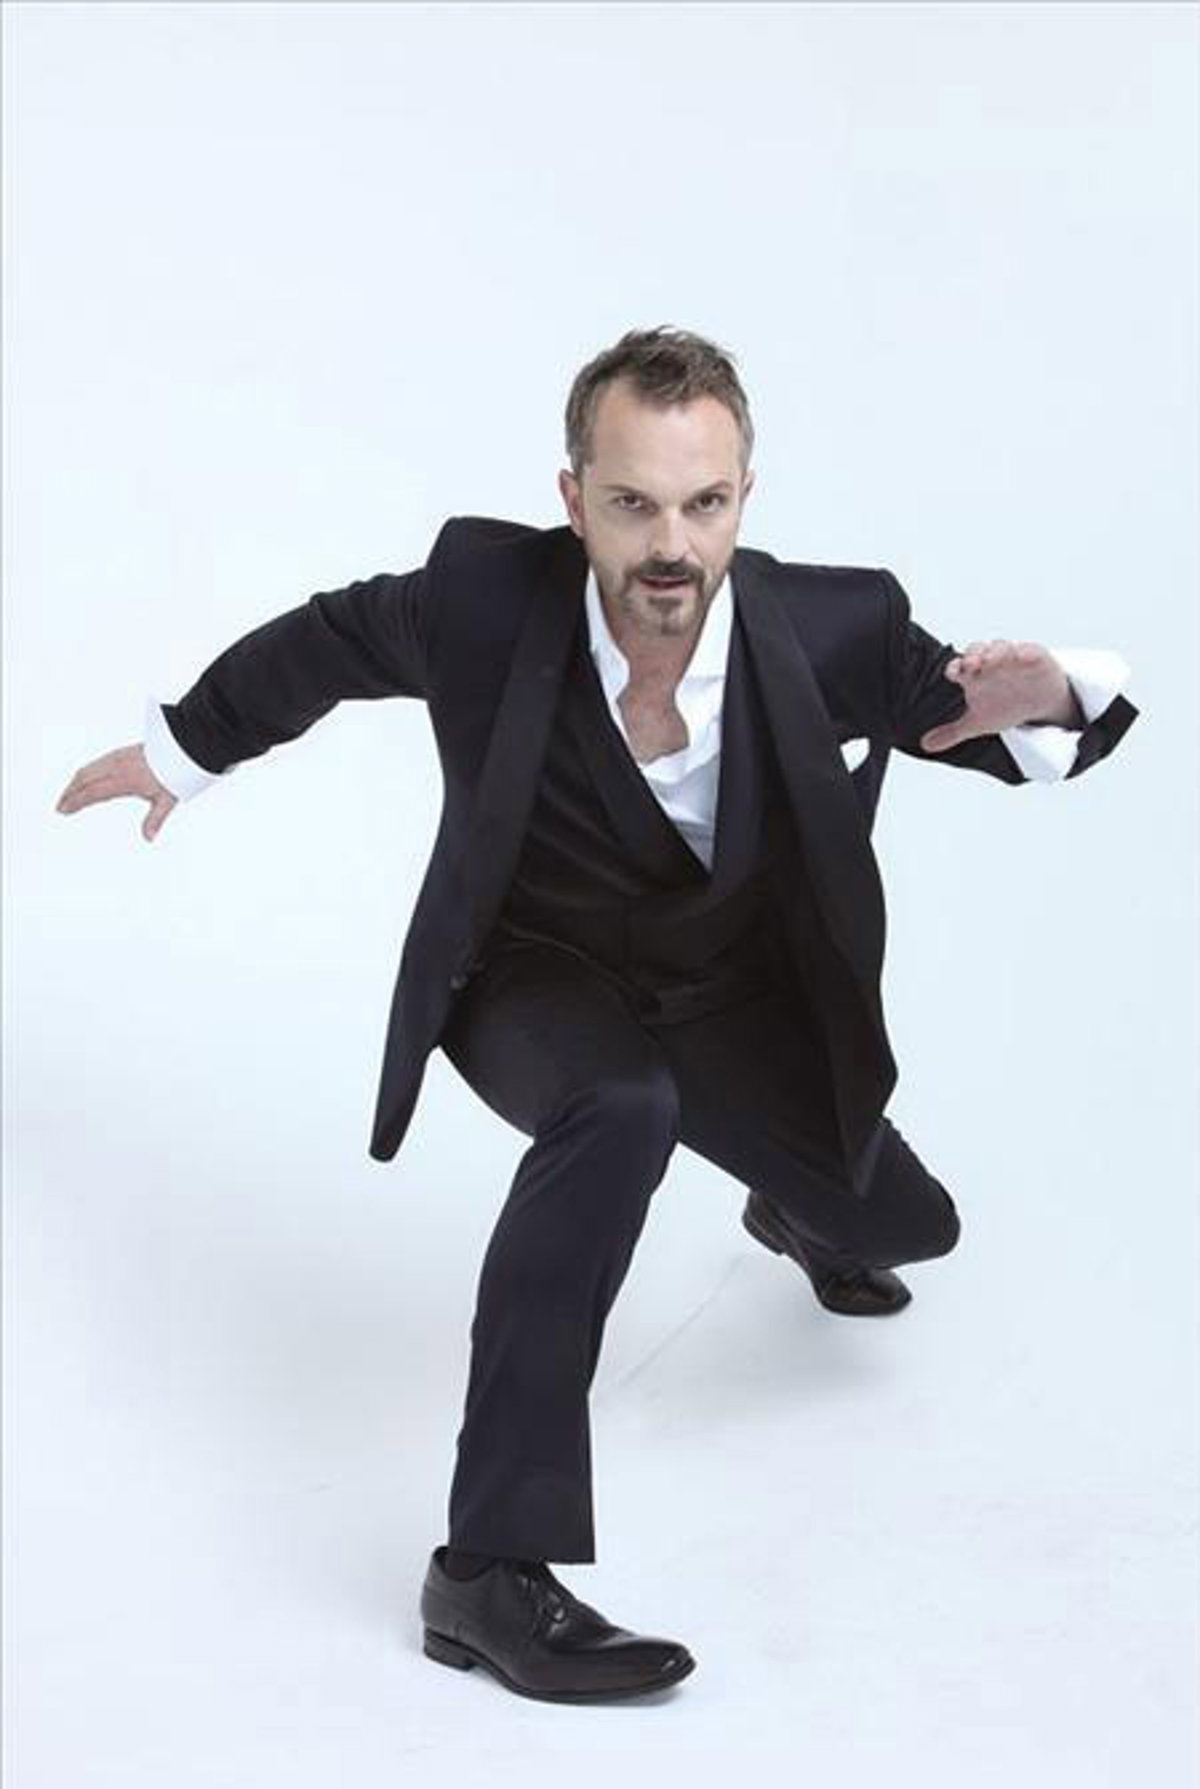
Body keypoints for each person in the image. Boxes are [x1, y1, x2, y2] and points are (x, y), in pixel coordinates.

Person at [54, 325, 1138, 1705]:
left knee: (910, 1224)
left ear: (745, 497)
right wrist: (182, 751)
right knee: (623, 1106)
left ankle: (799, 1212)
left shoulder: (836, 625)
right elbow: (327, 642)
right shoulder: (482, 600)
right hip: (535, 975)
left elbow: (980, 721)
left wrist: (1057, 693)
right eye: (632, 503)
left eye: (704, 502)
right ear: (574, 499)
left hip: (726, 994)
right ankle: (486, 1572)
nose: (670, 545)